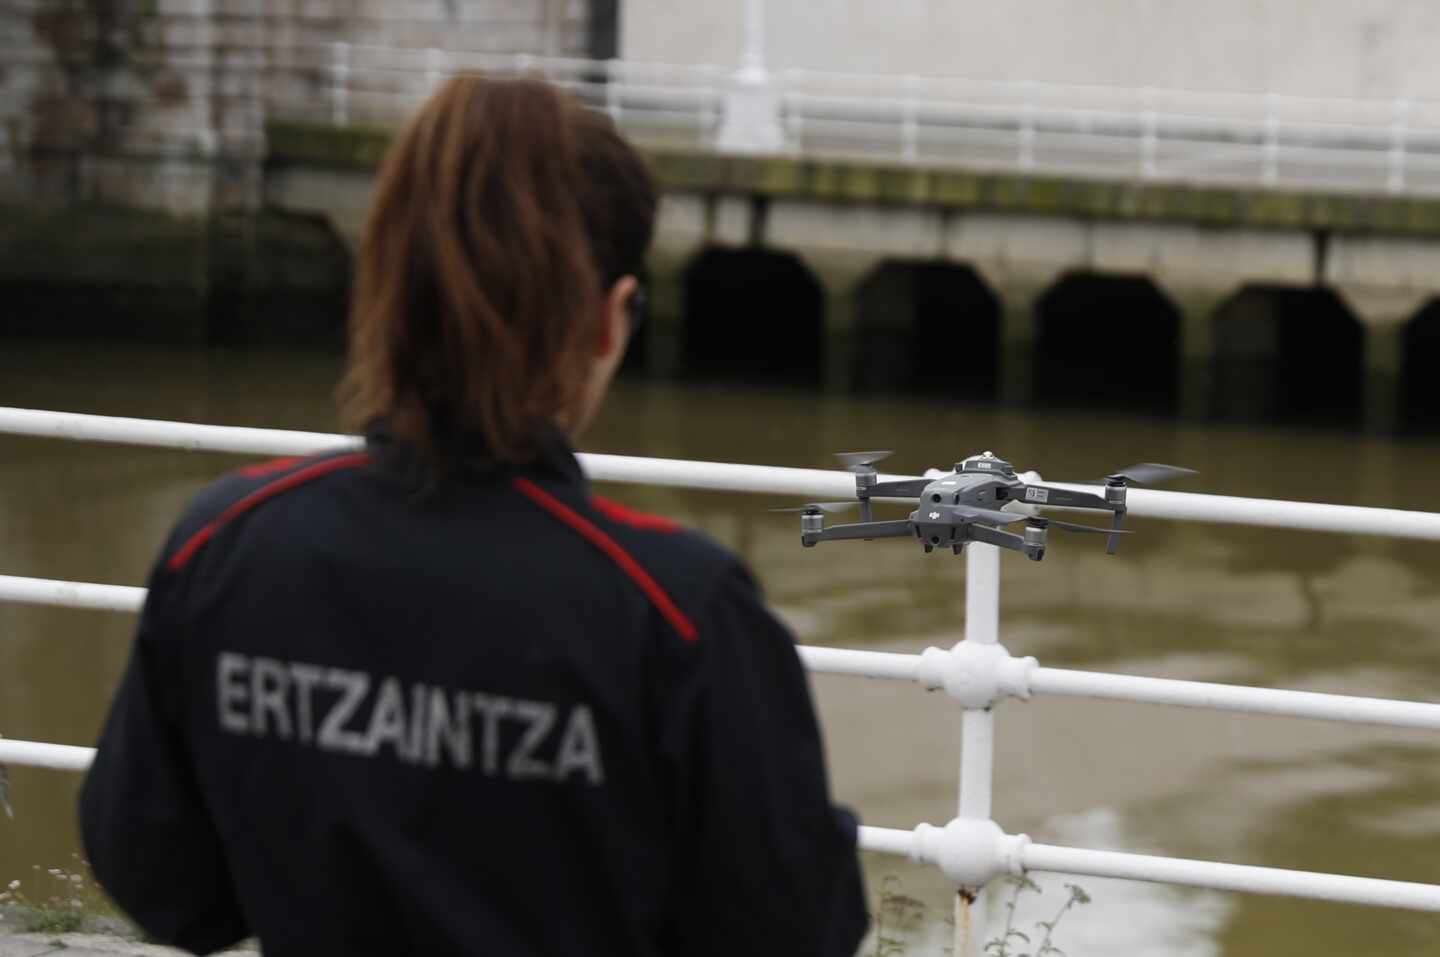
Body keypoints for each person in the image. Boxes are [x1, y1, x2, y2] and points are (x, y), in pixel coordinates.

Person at [78, 75, 869, 956]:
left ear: (380, 280)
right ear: (608, 319)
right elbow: (796, 929)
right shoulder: (676, 608)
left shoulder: (225, 543)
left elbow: (164, 883)